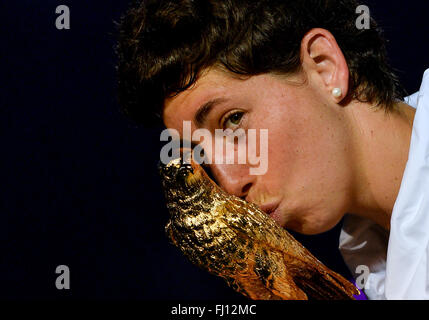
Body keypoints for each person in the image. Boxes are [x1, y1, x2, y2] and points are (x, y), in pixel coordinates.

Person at [116, 0, 428, 299]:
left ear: (324, 67)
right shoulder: (372, 256)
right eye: (204, 156)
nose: (229, 184)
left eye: (233, 120)